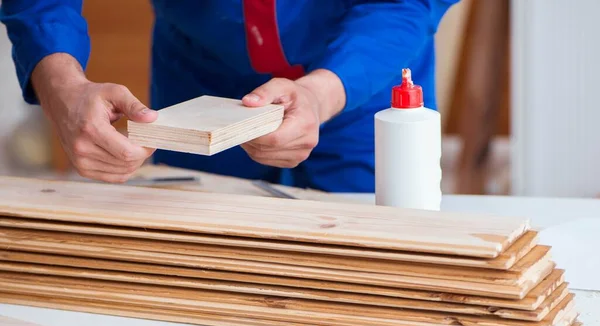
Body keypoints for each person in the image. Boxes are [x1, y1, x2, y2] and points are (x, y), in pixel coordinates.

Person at [0, 0, 458, 192]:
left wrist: (321, 94)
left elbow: (403, 4)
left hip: (361, 84)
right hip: (199, 85)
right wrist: (60, 84)